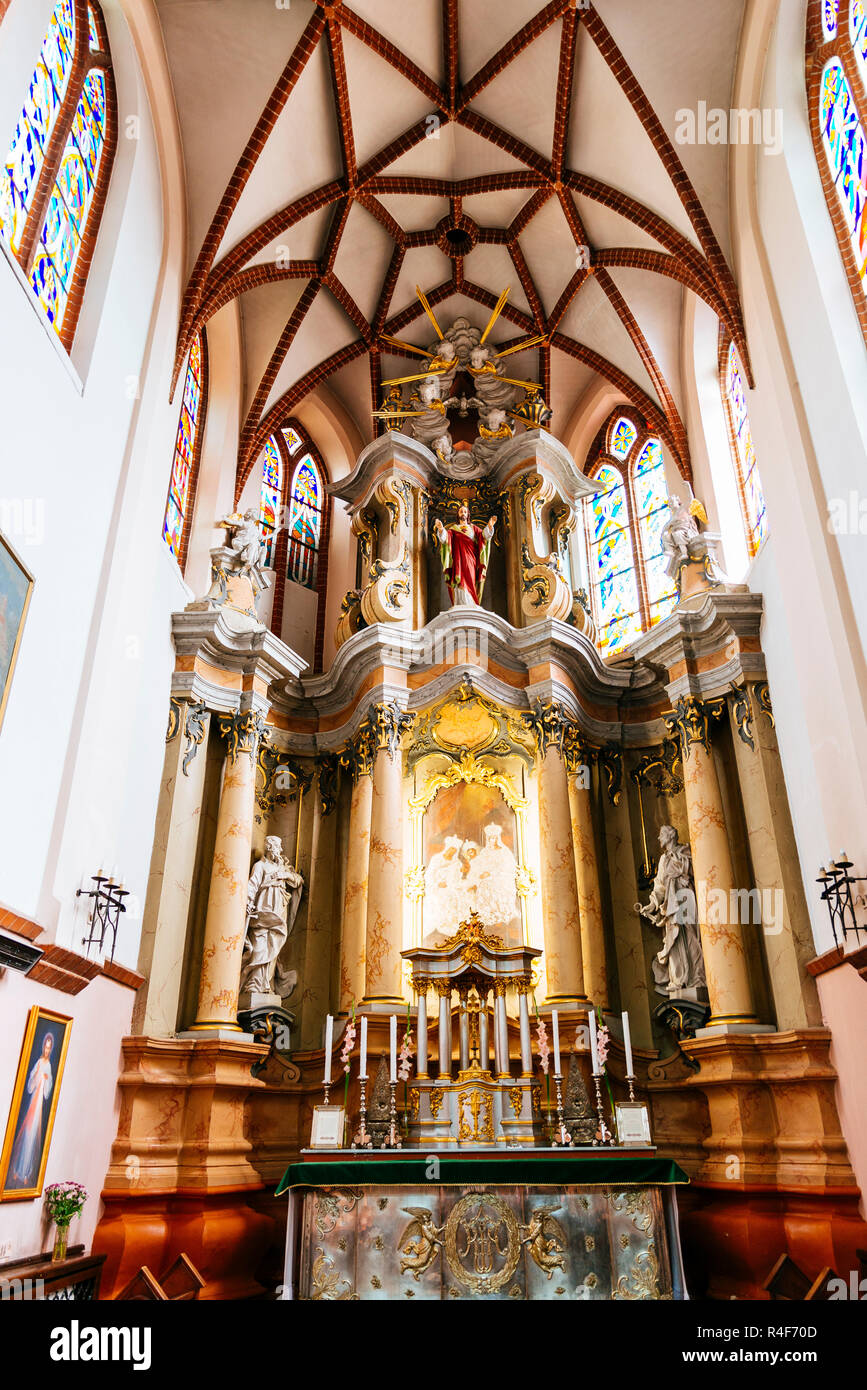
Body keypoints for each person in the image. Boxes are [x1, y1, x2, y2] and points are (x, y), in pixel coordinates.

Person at [635, 824, 706, 997]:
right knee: (673, 940)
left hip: (685, 898)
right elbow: (659, 885)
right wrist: (651, 905)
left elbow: (698, 871)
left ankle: (697, 977)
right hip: (670, 903)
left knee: (691, 937)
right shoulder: (663, 860)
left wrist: (682, 864)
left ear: (670, 836)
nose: (659, 839)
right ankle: (678, 979)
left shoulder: (686, 852)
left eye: (661, 835)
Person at [240, 836, 304, 1001]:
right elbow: (252, 886)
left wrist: (285, 875)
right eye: (278, 846)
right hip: (262, 911)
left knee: (273, 947)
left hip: (278, 911)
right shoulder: (260, 866)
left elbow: (298, 881)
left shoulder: (282, 868)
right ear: (269, 847)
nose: (280, 850)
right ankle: (253, 984)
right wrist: (248, 903)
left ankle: (266, 985)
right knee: (260, 947)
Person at [9, 1032, 54, 1186]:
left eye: (49, 1048)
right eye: (45, 1048)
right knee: (26, 1134)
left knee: (33, 1135)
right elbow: (30, 1085)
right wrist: (36, 1075)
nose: (47, 1051)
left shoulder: (48, 1066)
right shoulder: (40, 1062)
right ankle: (17, 1170)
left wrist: (46, 1080)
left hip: (39, 1108)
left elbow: (48, 1092)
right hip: (32, 1104)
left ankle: (26, 1172)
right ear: (43, 1048)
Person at [433, 504, 496, 606]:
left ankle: (471, 603)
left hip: (471, 559)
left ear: (468, 515)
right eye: (461, 511)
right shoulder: (453, 529)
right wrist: (441, 529)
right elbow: (445, 540)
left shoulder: (473, 528)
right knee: (459, 579)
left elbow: (484, 537)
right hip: (457, 560)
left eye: (465, 512)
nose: (463, 513)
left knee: (470, 579)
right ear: (458, 514)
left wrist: (489, 526)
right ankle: (460, 603)